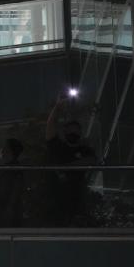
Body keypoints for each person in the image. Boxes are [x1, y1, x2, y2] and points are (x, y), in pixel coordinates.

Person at [45, 96, 98, 224]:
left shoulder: (85, 150)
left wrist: (66, 167)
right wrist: (57, 108)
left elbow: (91, 160)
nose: (73, 133)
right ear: (64, 132)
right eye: (70, 131)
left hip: (76, 198)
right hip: (55, 198)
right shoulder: (59, 147)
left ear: (80, 133)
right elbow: (50, 127)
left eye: (76, 131)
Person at [0, 138, 25, 227]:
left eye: (5, 146)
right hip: (4, 208)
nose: (3, 149)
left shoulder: (15, 168)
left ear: (10, 150)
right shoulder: (6, 167)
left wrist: (10, 207)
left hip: (9, 210)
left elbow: (17, 187)